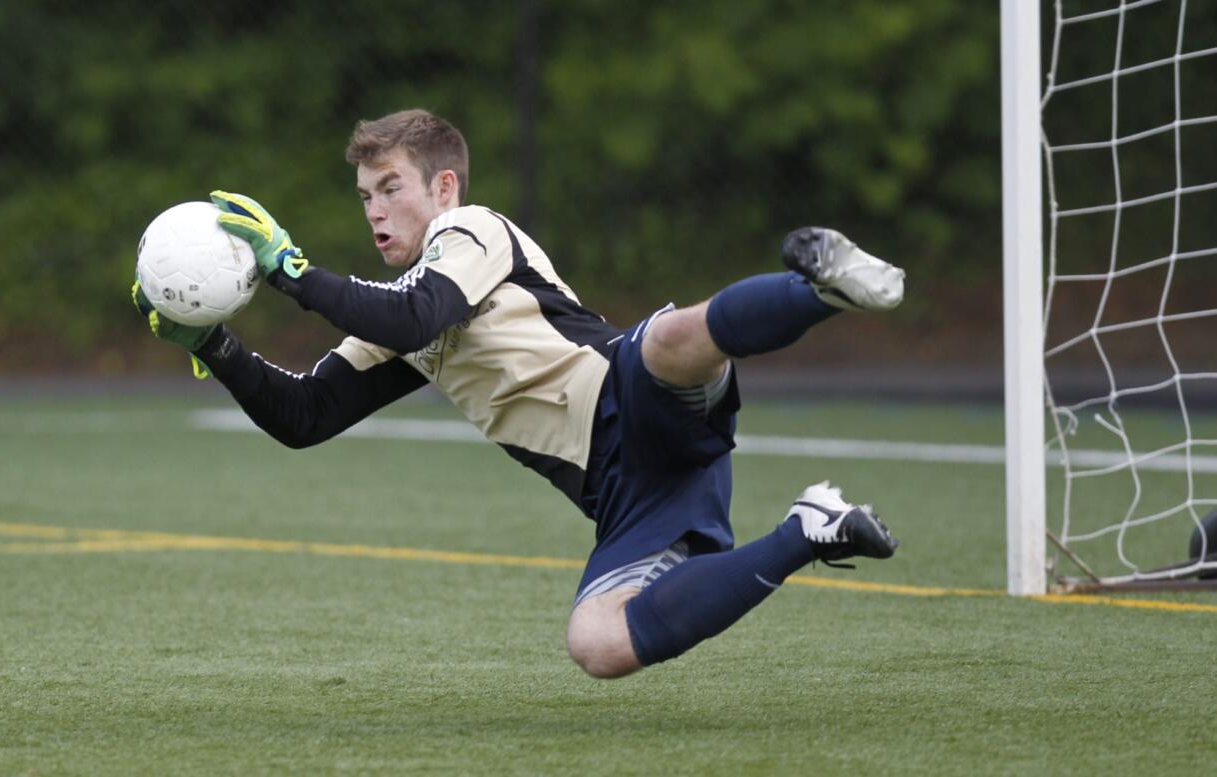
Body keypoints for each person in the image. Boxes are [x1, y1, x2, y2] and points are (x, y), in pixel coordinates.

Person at [133, 108, 904, 679]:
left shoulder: (472, 233)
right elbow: (306, 415)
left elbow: (421, 311)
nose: (372, 208)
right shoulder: (391, 311)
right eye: (364, 194)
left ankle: (826, 289)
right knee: (597, 643)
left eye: (389, 187)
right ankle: (811, 528)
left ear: (443, 186)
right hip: (623, 492)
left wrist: (291, 273)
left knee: (671, 342)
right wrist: (215, 345)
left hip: (627, 390)